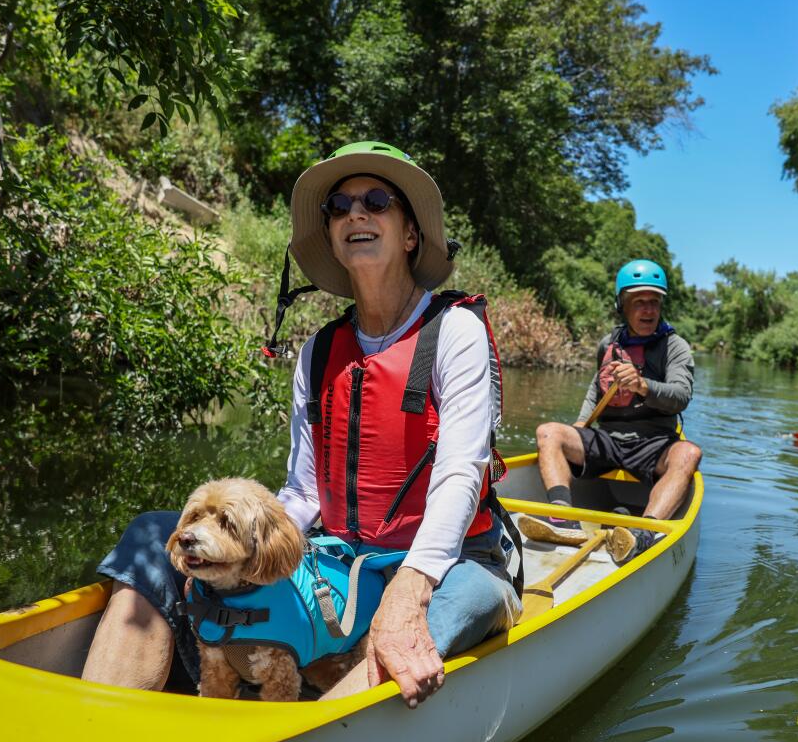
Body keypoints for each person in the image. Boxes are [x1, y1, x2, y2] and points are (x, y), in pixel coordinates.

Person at [82, 141, 520, 708]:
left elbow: (461, 471)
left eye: (377, 201)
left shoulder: (456, 332)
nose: (355, 213)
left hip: (454, 562)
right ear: (333, 237)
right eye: (339, 206)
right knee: (149, 537)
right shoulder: (317, 351)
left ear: (411, 234)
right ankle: (101, 725)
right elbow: (305, 491)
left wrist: (411, 588)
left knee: (436, 617)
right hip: (338, 557)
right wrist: (242, 547)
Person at [532, 259, 701, 563]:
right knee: (549, 433)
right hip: (607, 439)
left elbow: (681, 396)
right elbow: (597, 387)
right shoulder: (608, 344)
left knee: (689, 454)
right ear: (622, 304)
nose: (648, 309)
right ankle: (563, 520)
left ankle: (643, 534)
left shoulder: (675, 347)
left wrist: (643, 385)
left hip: (654, 444)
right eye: (639, 302)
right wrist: (582, 422)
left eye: (654, 302)